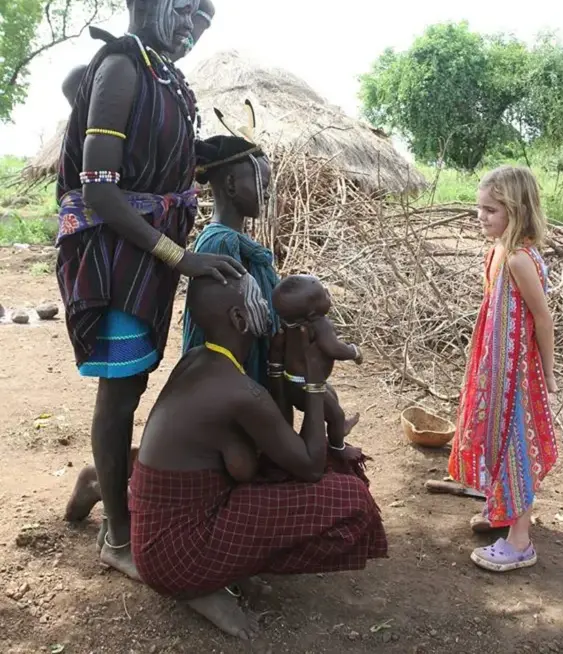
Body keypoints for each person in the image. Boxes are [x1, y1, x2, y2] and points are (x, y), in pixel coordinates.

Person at [57, 0, 243, 581]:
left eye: (201, 12)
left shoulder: (172, 79)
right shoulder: (122, 68)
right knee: (121, 388)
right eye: (185, 7)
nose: (194, 21)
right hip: (113, 254)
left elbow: (163, 164)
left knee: (135, 384)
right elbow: (100, 191)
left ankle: (98, 487)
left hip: (149, 250)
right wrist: (182, 257)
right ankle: (118, 538)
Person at [130, 274, 387, 640]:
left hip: (164, 541)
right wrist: (314, 383)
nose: (270, 309)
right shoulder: (237, 391)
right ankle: (201, 586)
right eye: (261, 302)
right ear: (238, 318)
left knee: (289, 469)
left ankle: (222, 572)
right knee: (351, 499)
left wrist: (277, 365)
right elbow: (311, 467)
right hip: (176, 557)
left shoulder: (199, 360)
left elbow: (279, 442)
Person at [183, 132, 359, 448]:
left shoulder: (234, 240)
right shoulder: (221, 243)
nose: (268, 191)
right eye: (262, 182)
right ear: (232, 185)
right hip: (239, 374)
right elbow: (226, 326)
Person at [448, 165, 558, 572]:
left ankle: (520, 541)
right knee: (495, 440)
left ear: (517, 211)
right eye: (480, 208)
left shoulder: (519, 259)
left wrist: (547, 373)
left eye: (491, 210)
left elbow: (542, 319)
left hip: (518, 375)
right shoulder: (496, 251)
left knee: (516, 451)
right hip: (497, 371)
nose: (481, 216)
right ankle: (503, 513)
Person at [273, 274, 363, 364]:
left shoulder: (284, 325)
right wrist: (354, 352)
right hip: (310, 375)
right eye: (324, 295)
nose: (328, 292)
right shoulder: (321, 325)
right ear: (312, 314)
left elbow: (276, 348)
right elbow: (333, 348)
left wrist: (275, 370)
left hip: (287, 372)